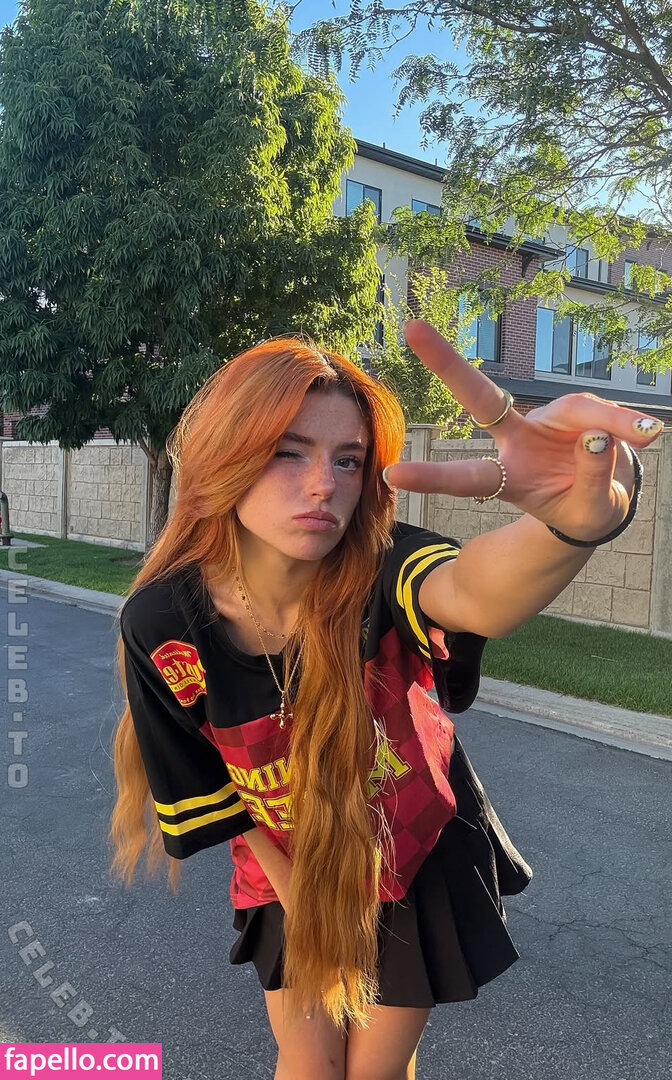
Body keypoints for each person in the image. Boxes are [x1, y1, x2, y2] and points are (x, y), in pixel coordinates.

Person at [109, 319, 661, 1080]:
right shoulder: (164, 623)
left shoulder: (384, 561)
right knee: (309, 1062)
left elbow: (471, 591)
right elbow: (211, 790)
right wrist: (306, 902)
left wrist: (572, 523)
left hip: (414, 848)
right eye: (288, 452)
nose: (324, 484)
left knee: (376, 1068)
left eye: (348, 459)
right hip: (287, 862)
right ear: (222, 459)